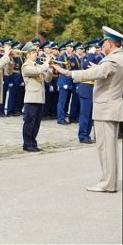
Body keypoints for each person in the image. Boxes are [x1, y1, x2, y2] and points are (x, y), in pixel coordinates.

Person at [53, 26, 123, 193]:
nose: (102, 46)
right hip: (112, 106)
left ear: (111, 44)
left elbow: (98, 73)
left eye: (105, 43)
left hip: (105, 108)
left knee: (105, 148)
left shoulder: (113, 60)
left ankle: (107, 183)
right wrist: (96, 68)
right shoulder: (119, 58)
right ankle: (110, 181)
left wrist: (68, 73)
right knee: (110, 148)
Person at [20, 42, 53, 152]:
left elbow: (48, 79)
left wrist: (50, 68)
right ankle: (27, 143)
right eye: (33, 52)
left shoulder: (39, 65)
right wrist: (46, 64)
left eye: (36, 52)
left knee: (36, 123)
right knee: (30, 121)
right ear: (28, 54)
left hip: (40, 98)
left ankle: (33, 142)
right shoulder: (26, 66)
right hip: (31, 98)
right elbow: (36, 71)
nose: (36, 54)